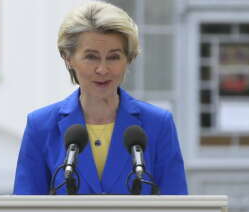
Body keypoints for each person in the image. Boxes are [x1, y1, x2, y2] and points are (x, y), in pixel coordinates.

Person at [13, 1, 188, 195]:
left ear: (128, 59)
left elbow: (177, 202)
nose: (103, 69)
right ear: (68, 58)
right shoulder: (41, 126)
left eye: (113, 57)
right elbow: (25, 203)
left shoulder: (158, 124)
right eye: (91, 57)